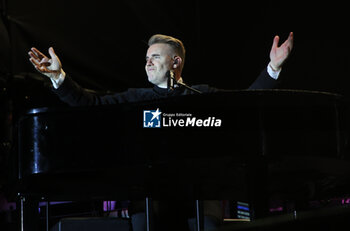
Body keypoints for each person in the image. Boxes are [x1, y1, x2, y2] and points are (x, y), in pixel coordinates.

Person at [28, 33, 294, 231]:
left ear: (175, 61)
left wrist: (273, 69)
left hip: (200, 192)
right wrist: (58, 76)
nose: (148, 63)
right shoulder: (137, 98)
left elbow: (243, 106)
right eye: (146, 58)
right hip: (150, 193)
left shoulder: (201, 96)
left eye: (154, 57)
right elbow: (90, 104)